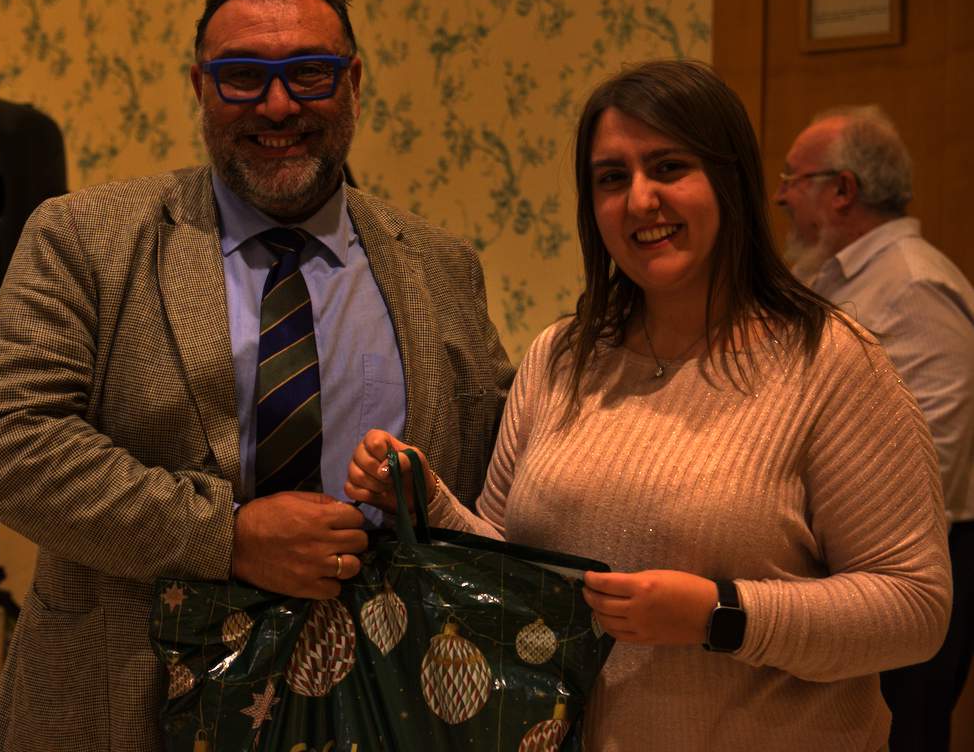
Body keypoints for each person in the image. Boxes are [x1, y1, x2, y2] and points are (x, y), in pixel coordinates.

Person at [0, 0, 513, 751]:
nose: (277, 105)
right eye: (243, 76)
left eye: (308, 73)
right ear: (200, 87)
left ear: (353, 83)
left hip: (381, 709)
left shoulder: (442, 268)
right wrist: (229, 535)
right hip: (127, 707)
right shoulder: (84, 238)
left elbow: (498, 469)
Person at [347, 60, 952, 750]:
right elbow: (511, 576)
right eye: (612, 178)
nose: (640, 200)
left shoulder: (832, 363)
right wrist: (427, 502)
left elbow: (916, 609)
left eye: (668, 168)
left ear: (728, 180)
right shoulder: (560, 357)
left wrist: (722, 614)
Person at [778, 106, 974, 751]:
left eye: (792, 178)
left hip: (906, 573)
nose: (780, 197)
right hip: (851, 568)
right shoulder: (833, 275)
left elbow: (929, 462)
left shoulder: (913, 286)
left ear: (842, 189)